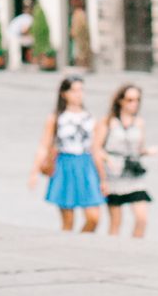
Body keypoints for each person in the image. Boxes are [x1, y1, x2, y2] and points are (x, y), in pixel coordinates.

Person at [29, 76, 104, 232]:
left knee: (93, 217)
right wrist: (34, 172)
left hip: (86, 164)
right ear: (64, 93)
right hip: (65, 164)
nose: (78, 94)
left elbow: (96, 148)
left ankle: (81, 243)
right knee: (68, 221)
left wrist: (103, 176)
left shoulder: (90, 117)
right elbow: (44, 145)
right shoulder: (57, 118)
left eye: (81, 90)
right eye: (73, 90)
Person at [93, 84, 156, 238]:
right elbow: (96, 148)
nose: (134, 104)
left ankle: (136, 246)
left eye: (137, 100)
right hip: (114, 173)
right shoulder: (108, 122)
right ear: (121, 101)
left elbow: (139, 148)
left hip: (133, 173)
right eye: (130, 100)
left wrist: (147, 151)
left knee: (142, 218)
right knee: (116, 221)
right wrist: (103, 177)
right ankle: (115, 251)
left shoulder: (139, 122)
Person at [9, 2, 34, 67]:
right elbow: (24, 30)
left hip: (11, 33)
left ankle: (15, 65)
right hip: (14, 34)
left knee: (14, 50)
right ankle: (16, 65)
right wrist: (30, 35)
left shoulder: (23, 16)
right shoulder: (29, 18)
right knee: (16, 49)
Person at [70, 1, 93, 71]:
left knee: (80, 52)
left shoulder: (79, 14)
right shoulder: (80, 14)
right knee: (80, 52)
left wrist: (73, 32)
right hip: (79, 36)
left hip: (80, 37)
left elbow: (77, 26)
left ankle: (82, 67)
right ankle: (82, 66)